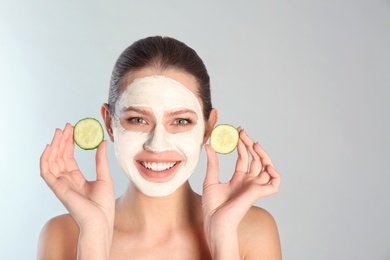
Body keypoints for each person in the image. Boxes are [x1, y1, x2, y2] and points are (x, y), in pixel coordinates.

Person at [38, 36, 282, 260]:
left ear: (208, 128)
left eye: (181, 121)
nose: (157, 144)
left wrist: (224, 235)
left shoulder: (252, 231)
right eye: (137, 119)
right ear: (109, 124)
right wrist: (94, 234)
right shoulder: (63, 234)